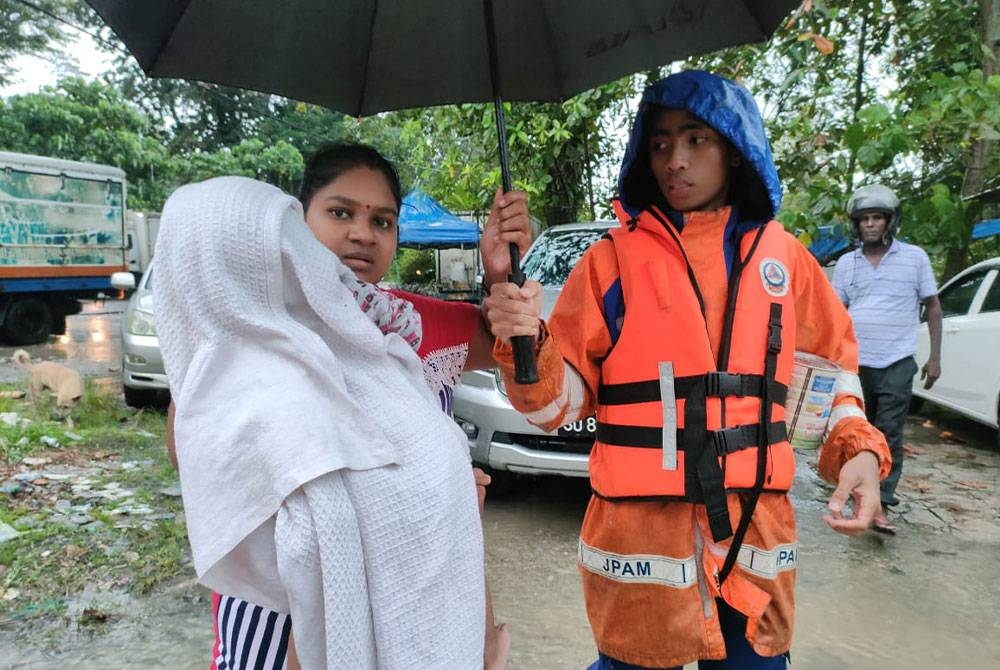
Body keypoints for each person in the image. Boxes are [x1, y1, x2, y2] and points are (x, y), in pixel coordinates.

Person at [483, 70, 892, 669]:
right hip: (639, 548)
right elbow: (554, 407)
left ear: (734, 146)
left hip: (757, 539)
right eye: (660, 142)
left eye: (696, 139)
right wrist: (523, 337)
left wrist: (857, 453)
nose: (675, 159)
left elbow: (833, 381)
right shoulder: (608, 264)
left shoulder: (789, 262)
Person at [155, 167, 523, 669]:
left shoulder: (408, 322)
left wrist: (501, 275)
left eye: (383, 221)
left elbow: (511, 351)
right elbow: (193, 460)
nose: (362, 233)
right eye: (340, 212)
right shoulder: (248, 338)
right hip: (268, 613)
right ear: (297, 223)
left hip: (404, 609)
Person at [832, 184, 942, 534]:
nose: (870, 224)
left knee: (889, 433)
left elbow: (933, 305)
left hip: (896, 361)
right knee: (856, 432)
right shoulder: (847, 264)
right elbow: (836, 313)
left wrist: (935, 358)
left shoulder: (914, 258)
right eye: (863, 219)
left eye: (877, 217)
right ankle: (857, 495)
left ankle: (881, 504)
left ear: (890, 221)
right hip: (855, 363)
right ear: (856, 224)